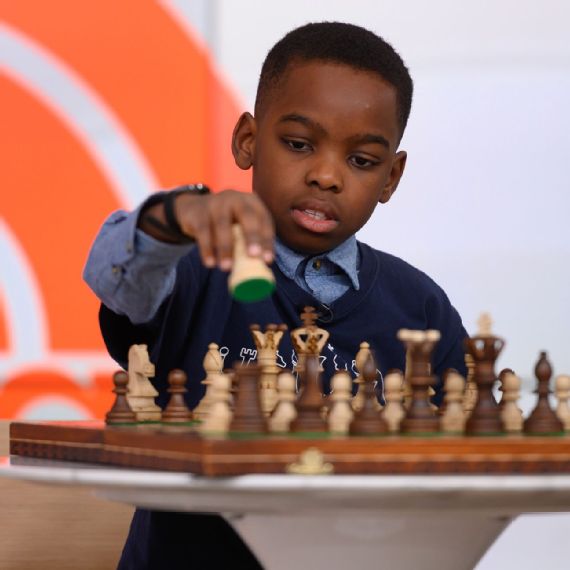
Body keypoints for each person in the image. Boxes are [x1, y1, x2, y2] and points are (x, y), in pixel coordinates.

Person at [84, 21, 467, 570]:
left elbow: (469, 468)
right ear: (247, 140)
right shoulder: (194, 269)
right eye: (298, 144)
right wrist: (176, 216)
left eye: (361, 160)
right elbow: (111, 276)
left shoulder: (420, 308)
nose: (327, 175)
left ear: (391, 177)